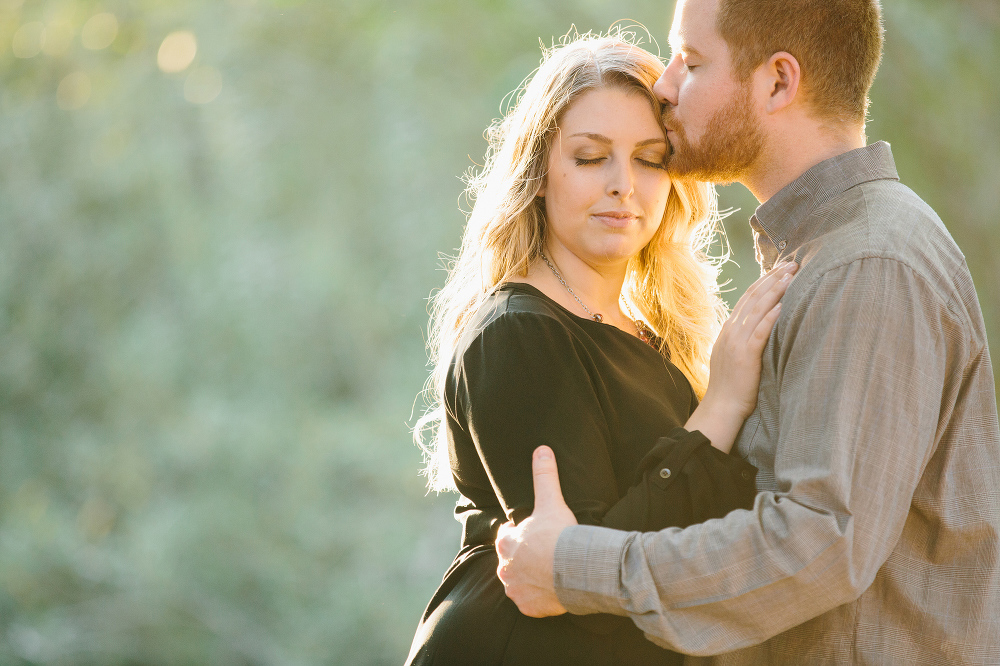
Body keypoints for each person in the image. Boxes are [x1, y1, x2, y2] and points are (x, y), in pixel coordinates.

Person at [496, 0, 1000, 663]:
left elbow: (819, 542)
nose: (665, 85)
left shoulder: (870, 264)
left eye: (693, 62)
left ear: (778, 82)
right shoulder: (826, 255)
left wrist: (576, 566)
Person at [405, 31, 798, 665]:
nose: (623, 184)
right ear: (537, 175)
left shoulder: (649, 334)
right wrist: (722, 403)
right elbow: (587, 582)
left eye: (648, 158)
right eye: (590, 157)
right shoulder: (519, 333)